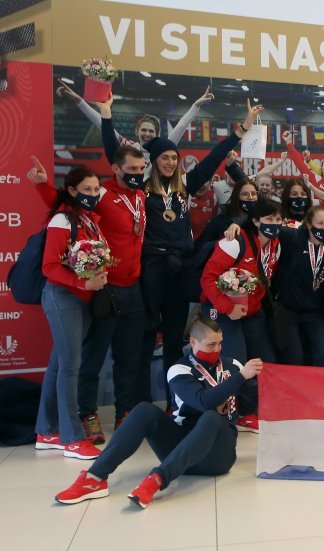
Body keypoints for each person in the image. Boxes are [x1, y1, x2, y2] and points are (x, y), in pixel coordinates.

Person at [95, 97, 264, 414]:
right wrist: (106, 117)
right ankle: (138, 407)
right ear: (154, 160)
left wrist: (242, 127)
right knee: (145, 339)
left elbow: (214, 159)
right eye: (164, 158)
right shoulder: (142, 187)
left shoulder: (186, 185)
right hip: (151, 268)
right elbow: (113, 155)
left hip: (179, 268)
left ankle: (179, 402)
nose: (171, 162)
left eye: (174, 157)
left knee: (174, 338)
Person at [54, 315, 262, 508]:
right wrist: (241, 376)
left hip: (217, 457)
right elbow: (204, 401)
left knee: (212, 418)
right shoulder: (180, 370)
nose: (217, 349)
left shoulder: (233, 366)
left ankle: (156, 480)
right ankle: (94, 478)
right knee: (144, 410)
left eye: (220, 343)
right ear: (193, 342)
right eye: (211, 344)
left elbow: (259, 396)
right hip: (179, 449)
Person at [31, 147, 147, 444]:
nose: (137, 174)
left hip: (132, 287)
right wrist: (43, 185)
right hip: (102, 290)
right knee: (89, 359)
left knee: (128, 357)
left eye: (140, 169)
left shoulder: (139, 196)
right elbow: (62, 210)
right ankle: (86, 415)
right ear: (117, 169)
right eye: (131, 169)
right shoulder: (101, 196)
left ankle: (125, 412)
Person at [34, 166, 107, 460]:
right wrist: (82, 281)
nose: (92, 195)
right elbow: (49, 266)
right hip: (63, 296)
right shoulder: (63, 219)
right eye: (86, 190)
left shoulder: (86, 219)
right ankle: (72, 438)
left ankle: (47, 431)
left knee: (59, 365)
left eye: (95, 190)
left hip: (82, 298)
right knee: (70, 367)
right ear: (73, 191)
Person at [200, 197, 279, 431]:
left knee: (265, 360)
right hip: (224, 311)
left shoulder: (276, 243)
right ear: (255, 221)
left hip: (252, 312)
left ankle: (258, 409)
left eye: (277, 219)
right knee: (236, 361)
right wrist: (228, 308)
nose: (274, 224)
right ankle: (241, 412)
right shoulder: (234, 242)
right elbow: (207, 278)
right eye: (268, 219)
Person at [56, 81, 214, 167]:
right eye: (144, 130)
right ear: (137, 131)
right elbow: (102, 124)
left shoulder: (163, 149)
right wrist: (79, 101)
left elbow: (181, 126)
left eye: (151, 131)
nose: (147, 134)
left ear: (157, 134)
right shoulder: (128, 147)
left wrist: (196, 106)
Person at [271, 205, 324, 366]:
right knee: (295, 358)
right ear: (308, 224)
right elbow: (264, 223)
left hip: (314, 313)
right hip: (289, 311)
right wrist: (236, 223)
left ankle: (322, 391)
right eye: (320, 223)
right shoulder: (292, 238)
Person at [283, 131, 324, 210]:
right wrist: (289, 142)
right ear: (321, 169)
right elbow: (299, 163)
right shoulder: (315, 179)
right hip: (317, 217)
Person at [196, 178, 259, 246]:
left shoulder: (260, 218)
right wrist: (222, 245)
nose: (250, 197)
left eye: (253, 194)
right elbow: (201, 245)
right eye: (245, 194)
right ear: (237, 196)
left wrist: (236, 223)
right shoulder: (221, 220)